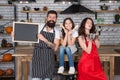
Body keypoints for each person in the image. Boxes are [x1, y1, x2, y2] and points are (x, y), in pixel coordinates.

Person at [32, 10, 60, 80]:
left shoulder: (57, 31)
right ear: (46, 18)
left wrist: (44, 39)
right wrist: (15, 35)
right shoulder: (39, 27)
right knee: (35, 78)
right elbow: (27, 35)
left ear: (56, 19)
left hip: (48, 59)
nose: (52, 19)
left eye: (54, 17)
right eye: (50, 17)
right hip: (37, 57)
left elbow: (55, 48)